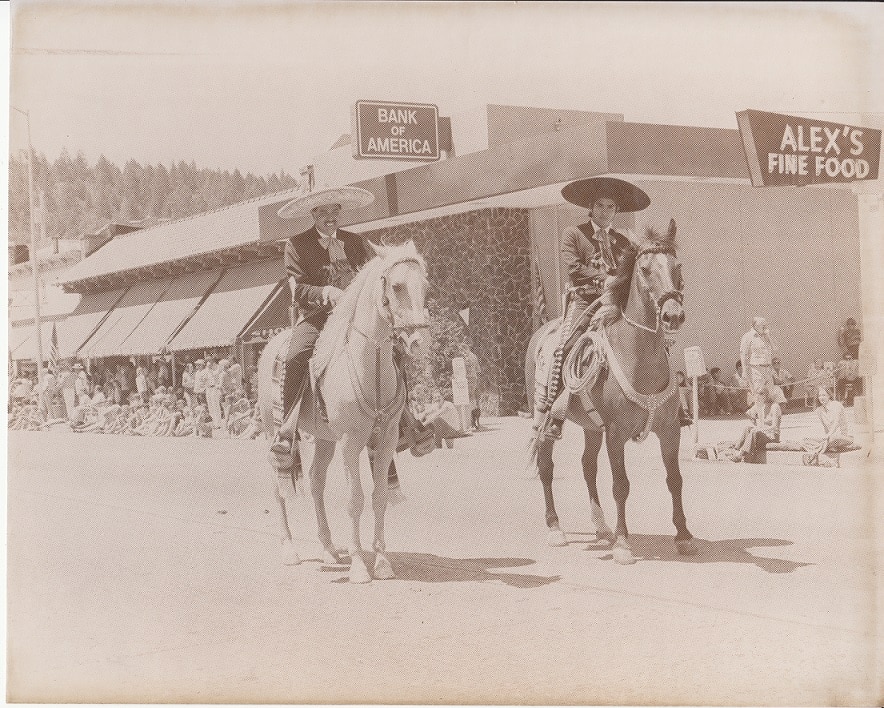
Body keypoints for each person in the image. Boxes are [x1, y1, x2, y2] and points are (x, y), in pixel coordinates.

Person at [271, 186, 377, 457]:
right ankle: (288, 429)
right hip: (318, 317)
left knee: (392, 350)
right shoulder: (296, 244)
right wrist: (327, 293)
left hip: (356, 318)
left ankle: (404, 422)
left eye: (334, 211)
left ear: (341, 212)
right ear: (313, 214)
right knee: (296, 355)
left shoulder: (357, 242)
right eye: (322, 212)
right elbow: (299, 290)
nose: (330, 217)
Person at [540, 177, 648, 440]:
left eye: (610, 207)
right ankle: (554, 414)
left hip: (616, 304)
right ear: (591, 207)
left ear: (616, 211)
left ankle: (658, 407)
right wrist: (604, 279)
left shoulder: (624, 241)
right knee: (566, 346)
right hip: (586, 301)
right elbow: (575, 269)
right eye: (600, 205)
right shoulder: (574, 233)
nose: (605, 211)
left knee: (650, 336)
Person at [732, 384, 782, 463]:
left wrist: (760, 428)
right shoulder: (761, 406)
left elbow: (775, 426)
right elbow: (748, 413)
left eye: (759, 398)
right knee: (747, 428)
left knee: (754, 431)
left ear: (765, 396)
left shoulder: (775, 407)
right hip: (763, 433)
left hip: (772, 436)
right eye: (756, 398)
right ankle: (735, 450)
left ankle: (740, 455)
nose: (757, 400)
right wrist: (753, 419)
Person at [739, 316, 776, 404]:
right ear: (755, 325)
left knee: (770, 393)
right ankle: (761, 416)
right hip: (756, 369)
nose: (765, 326)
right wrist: (744, 371)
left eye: (766, 324)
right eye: (762, 324)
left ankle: (753, 412)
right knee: (759, 393)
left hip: (767, 368)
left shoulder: (765, 336)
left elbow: (775, 348)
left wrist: (769, 337)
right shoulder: (748, 336)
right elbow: (743, 354)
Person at [812, 387, 854, 453]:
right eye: (819, 396)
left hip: (843, 437)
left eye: (824, 395)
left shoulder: (836, 405)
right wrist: (826, 438)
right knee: (806, 440)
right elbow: (825, 428)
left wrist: (828, 436)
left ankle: (825, 446)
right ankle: (828, 446)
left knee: (833, 439)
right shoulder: (819, 410)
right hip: (830, 438)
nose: (821, 398)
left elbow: (835, 424)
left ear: (829, 396)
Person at [462, 343, 482, 430]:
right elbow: (478, 370)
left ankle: (472, 422)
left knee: (470, 400)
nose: (462, 352)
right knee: (473, 400)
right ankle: (474, 422)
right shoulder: (474, 356)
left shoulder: (467, 357)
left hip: (469, 380)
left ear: (465, 349)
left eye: (462, 350)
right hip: (473, 379)